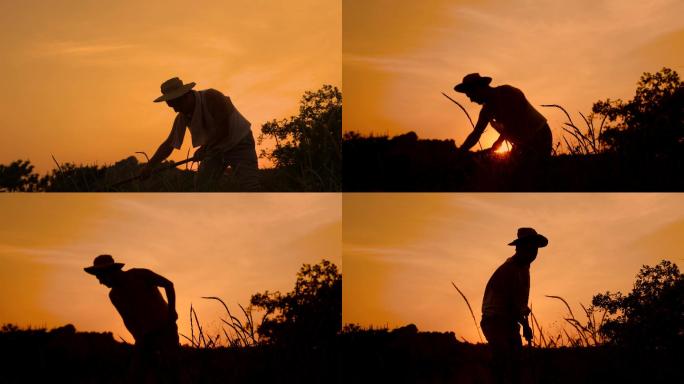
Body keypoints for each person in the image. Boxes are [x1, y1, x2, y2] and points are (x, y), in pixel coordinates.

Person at [143, 77, 259, 191]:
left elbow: (223, 128)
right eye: (172, 106)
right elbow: (169, 145)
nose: (176, 110)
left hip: (240, 143)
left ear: (186, 96)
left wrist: (203, 149)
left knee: (249, 187)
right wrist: (149, 167)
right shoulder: (182, 117)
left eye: (177, 105)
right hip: (214, 150)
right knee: (202, 185)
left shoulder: (212, 97)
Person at [84, 254, 179, 383]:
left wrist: (171, 311)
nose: (100, 282)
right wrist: (140, 341)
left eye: (100, 277)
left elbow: (168, 285)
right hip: (145, 338)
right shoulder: (114, 295)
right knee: (137, 376)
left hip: (165, 329)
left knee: (172, 372)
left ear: (110, 271)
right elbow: (128, 321)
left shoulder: (140, 274)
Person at [480, 228, 548, 384]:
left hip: (509, 321)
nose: (534, 252)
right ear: (520, 248)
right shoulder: (510, 269)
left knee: (515, 363)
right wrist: (524, 324)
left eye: (535, 248)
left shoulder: (523, 269)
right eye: (530, 247)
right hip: (495, 321)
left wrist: (523, 319)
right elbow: (512, 302)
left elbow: (518, 303)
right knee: (504, 359)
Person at [454, 73, 552, 164]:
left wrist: (499, 142)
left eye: (471, 95)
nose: (471, 100)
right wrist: (461, 151)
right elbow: (476, 133)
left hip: (540, 134)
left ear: (479, 88)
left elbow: (514, 121)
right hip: (522, 143)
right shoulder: (486, 111)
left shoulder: (507, 92)